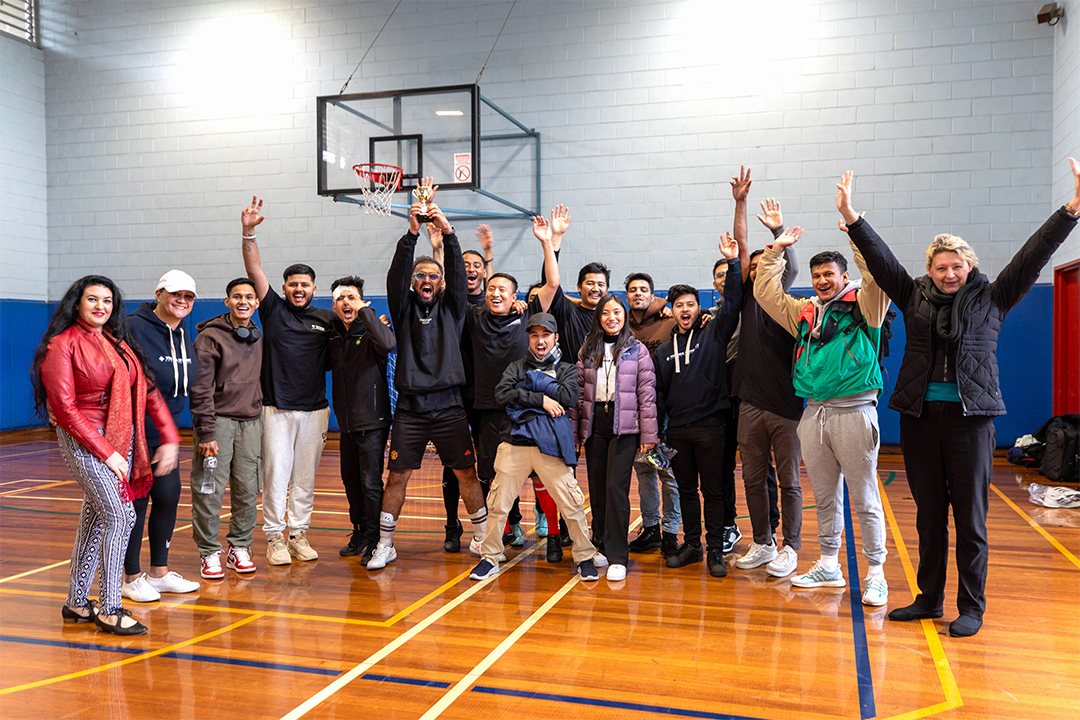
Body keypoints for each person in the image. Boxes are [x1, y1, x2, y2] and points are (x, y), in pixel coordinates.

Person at [841, 160, 1080, 636]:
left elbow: (1034, 255)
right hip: (920, 417)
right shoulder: (911, 295)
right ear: (929, 269)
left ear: (969, 266)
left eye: (957, 266)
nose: (950, 274)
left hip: (972, 422)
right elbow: (883, 260)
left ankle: (971, 606)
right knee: (929, 517)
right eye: (941, 267)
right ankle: (928, 599)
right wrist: (852, 218)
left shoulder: (995, 296)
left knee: (970, 521)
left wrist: (1071, 210)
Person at [32, 275, 181, 635]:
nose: (101, 306)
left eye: (107, 301)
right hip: (86, 439)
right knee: (122, 516)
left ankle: (77, 603)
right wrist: (108, 453)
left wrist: (170, 435)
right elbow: (65, 410)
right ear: (77, 304)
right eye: (93, 299)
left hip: (121, 437)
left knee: (96, 519)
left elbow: (147, 390)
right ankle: (111, 607)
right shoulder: (61, 345)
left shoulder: (118, 343)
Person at [754, 222, 892, 608]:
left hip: (854, 410)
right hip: (813, 413)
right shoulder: (804, 312)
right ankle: (829, 565)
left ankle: (876, 573)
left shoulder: (866, 306)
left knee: (864, 497)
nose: (821, 281)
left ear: (843, 276)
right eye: (816, 276)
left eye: (828, 274)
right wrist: (775, 251)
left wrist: (857, 234)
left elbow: (877, 277)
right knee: (826, 496)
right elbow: (765, 293)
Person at [367, 178, 489, 571]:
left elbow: (454, 268)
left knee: (466, 474)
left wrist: (449, 231)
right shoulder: (402, 310)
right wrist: (413, 231)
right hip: (411, 408)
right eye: (420, 276)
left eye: (432, 276)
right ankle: (385, 544)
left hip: (450, 406)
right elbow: (397, 274)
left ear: (441, 284)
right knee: (397, 476)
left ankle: (483, 538)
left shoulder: (454, 308)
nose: (425, 280)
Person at [470, 313, 603, 582]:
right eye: (534, 335)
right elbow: (501, 396)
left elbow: (567, 397)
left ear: (555, 337)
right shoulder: (515, 367)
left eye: (545, 335)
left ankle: (585, 556)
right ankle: (490, 557)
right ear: (528, 338)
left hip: (551, 444)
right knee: (498, 503)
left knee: (570, 502)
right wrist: (541, 399)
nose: (540, 340)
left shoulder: (566, 368)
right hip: (515, 443)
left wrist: (525, 392)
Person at [241, 195, 335, 565]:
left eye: (305, 284)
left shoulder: (327, 319)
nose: (299, 289)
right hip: (276, 408)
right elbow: (254, 271)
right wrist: (249, 231)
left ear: (314, 288)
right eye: (293, 284)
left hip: (315, 411)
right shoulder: (274, 310)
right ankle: (274, 538)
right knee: (276, 474)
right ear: (285, 287)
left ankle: (298, 534)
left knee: (305, 478)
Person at [654, 233, 742, 578]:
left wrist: (733, 263)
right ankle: (692, 545)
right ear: (672, 311)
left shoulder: (714, 333)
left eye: (690, 304)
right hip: (677, 430)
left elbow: (733, 301)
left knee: (714, 491)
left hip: (711, 426)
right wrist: (658, 433)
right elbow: (659, 394)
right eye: (679, 305)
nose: (685, 310)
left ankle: (716, 551)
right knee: (687, 491)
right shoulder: (662, 351)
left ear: (699, 307)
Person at [733, 198, 805, 579]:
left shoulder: (788, 304)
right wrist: (740, 203)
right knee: (752, 478)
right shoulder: (747, 299)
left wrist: (780, 234)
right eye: (756, 266)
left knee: (790, 481)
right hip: (750, 405)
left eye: (768, 264)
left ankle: (791, 547)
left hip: (787, 407)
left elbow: (789, 263)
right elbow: (744, 249)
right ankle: (763, 542)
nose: (759, 270)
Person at [122, 270, 201, 601]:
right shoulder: (132, 327)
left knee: (167, 497)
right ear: (158, 294)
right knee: (135, 507)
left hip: (167, 435)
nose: (181, 300)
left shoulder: (183, 333)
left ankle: (159, 573)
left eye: (188, 296)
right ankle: (130, 577)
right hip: (134, 434)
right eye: (175, 294)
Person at [570, 295, 659, 581]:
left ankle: (619, 555)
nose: (611, 317)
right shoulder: (587, 349)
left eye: (617, 312)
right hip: (596, 422)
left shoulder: (637, 350)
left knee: (616, 487)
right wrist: (575, 432)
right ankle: (602, 546)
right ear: (598, 318)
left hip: (626, 426)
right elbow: (579, 394)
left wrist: (649, 433)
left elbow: (646, 394)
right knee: (597, 488)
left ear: (624, 316)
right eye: (605, 313)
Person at [188, 277, 264, 579]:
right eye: (236, 296)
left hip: (251, 422)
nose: (243, 301)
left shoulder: (258, 335)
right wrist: (206, 431)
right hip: (217, 423)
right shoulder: (209, 338)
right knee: (210, 490)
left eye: (249, 296)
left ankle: (239, 546)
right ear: (227, 302)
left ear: (256, 303)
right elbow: (200, 388)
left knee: (248, 488)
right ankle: (208, 552)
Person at [429, 223, 497, 552]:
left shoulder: (494, 302)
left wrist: (489, 254)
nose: (470, 270)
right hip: (453, 390)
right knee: (453, 461)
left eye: (477, 266)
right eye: (465, 265)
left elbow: (498, 285)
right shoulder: (448, 302)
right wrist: (438, 249)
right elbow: (441, 279)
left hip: (484, 393)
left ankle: (501, 521)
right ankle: (452, 524)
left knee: (490, 461)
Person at [327, 276, 395, 565]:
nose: (347, 302)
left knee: (370, 483)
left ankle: (379, 540)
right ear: (333, 305)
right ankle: (359, 531)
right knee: (350, 480)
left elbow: (389, 344)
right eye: (341, 298)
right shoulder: (333, 336)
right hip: (346, 424)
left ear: (362, 301)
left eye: (352, 297)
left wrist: (367, 313)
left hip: (372, 421)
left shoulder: (372, 330)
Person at [624, 272, 681, 557]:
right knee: (644, 472)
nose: (638, 294)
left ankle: (671, 532)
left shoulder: (669, 321)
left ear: (652, 294)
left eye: (643, 289)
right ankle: (651, 529)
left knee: (668, 474)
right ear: (627, 296)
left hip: (665, 411)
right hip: (634, 412)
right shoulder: (622, 326)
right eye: (632, 290)